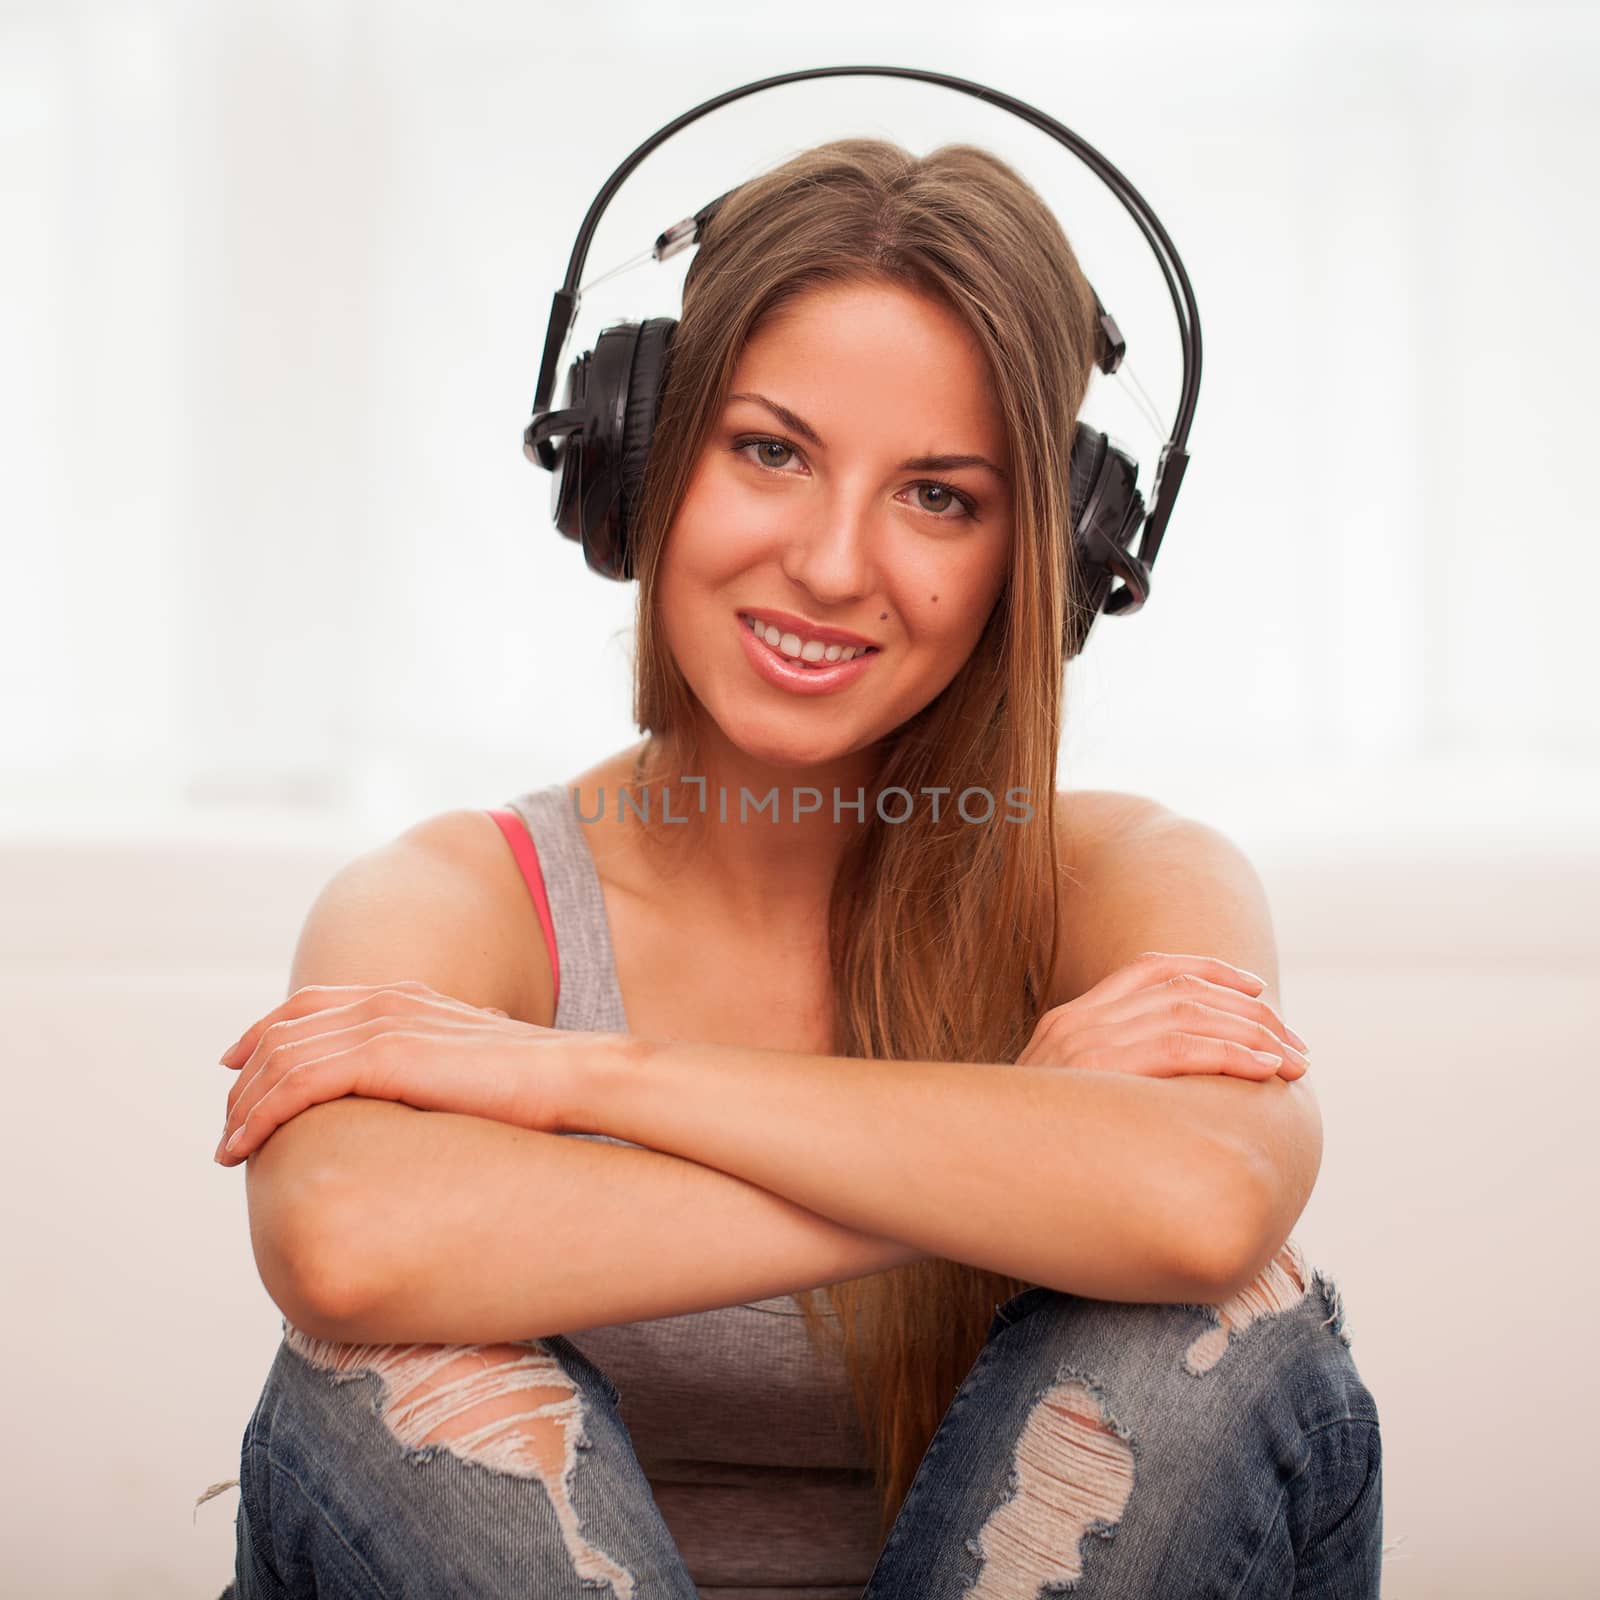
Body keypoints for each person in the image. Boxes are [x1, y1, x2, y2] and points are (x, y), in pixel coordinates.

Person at [209, 137, 1383, 1597]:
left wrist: (593, 1082)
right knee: (395, 1358)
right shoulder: (461, 900)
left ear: (1048, 557)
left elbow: (1205, 1205)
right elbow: (345, 1241)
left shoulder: (1126, 878)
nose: (834, 564)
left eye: (939, 496)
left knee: (1198, 1317)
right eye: (771, 450)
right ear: (637, 458)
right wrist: (1015, 1133)